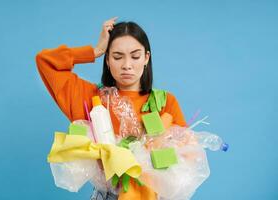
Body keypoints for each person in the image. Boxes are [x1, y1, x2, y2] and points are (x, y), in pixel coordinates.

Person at [36, 17, 187, 200]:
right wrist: (96, 50)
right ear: (107, 60)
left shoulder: (165, 103)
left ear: (146, 58)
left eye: (135, 56)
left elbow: (186, 156)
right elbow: (45, 61)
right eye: (117, 57)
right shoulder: (92, 100)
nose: (126, 65)